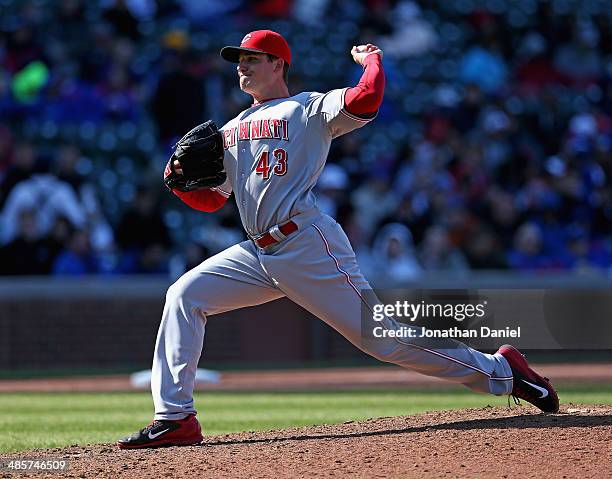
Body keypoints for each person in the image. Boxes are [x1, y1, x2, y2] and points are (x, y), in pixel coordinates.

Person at [118, 30, 559, 449]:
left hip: (307, 243)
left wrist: (371, 61)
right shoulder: (232, 129)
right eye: (239, 61)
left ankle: (503, 371)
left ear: (278, 63)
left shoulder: (307, 109)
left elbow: (367, 100)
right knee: (184, 295)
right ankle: (176, 417)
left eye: (252, 59)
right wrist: (179, 186)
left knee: (382, 339)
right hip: (258, 251)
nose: (242, 68)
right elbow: (214, 201)